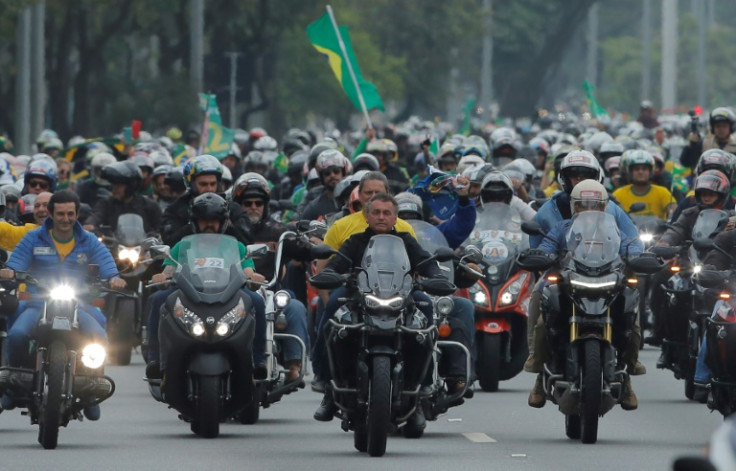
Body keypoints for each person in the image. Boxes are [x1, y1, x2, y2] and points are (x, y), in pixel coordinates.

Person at [313, 193, 449, 430]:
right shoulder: (355, 241)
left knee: (426, 311)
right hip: (360, 299)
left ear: (395, 217)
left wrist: (436, 275)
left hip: (401, 298)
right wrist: (331, 273)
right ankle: (329, 387)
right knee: (333, 319)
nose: (381, 217)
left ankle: (421, 392)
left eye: (387, 213)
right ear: (366, 216)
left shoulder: (406, 240)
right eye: (376, 212)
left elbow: (425, 262)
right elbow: (337, 264)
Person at [0, 190, 127, 420]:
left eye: (70, 214)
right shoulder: (33, 237)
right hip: (38, 302)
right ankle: (15, 384)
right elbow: (17, 261)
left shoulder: (88, 240)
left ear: (77, 214)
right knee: (17, 333)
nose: (66, 219)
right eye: (60, 213)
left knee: (98, 336)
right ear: (50, 213)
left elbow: (106, 262)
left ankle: (90, 385)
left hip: (80, 303)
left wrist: (114, 277)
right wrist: (10, 271)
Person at [527, 180, 643, 410]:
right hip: (569, 281)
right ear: (574, 206)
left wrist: (638, 256)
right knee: (541, 309)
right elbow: (547, 245)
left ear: (604, 207)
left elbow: (631, 245)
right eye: (583, 204)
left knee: (632, 312)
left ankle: (628, 371)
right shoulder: (562, 228)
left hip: (608, 282)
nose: (589, 209)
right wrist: (540, 255)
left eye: (596, 205)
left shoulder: (614, 230)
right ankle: (539, 373)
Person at [145, 193, 268, 379]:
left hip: (229, 294)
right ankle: (156, 359)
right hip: (189, 293)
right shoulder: (183, 245)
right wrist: (161, 277)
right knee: (158, 299)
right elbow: (169, 270)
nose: (209, 225)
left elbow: (247, 271)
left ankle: (257, 359)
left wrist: (254, 276)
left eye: (214, 221)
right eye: (204, 221)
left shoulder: (236, 246)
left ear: (223, 222)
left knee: (257, 301)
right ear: (195, 222)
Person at [230, 174, 312, 381]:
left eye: (258, 203)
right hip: (232, 293)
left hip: (271, 293)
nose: (253, 207)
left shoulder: (278, 231)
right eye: (247, 203)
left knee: (295, 306)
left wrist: (314, 244)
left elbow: (304, 252)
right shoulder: (228, 232)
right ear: (238, 205)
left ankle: (294, 364)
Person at [161, 154, 224, 246]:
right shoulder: (174, 210)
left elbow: (246, 241)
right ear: (192, 185)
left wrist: (227, 223)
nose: (209, 189)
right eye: (203, 184)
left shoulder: (231, 207)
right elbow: (169, 242)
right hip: (186, 259)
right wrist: (193, 225)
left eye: (213, 184)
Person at [85, 161, 162, 234]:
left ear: (131, 186)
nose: (114, 188)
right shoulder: (106, 204)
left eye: (119, 185)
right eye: (113, 184)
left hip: (143, 246)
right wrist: (90, 224)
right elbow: (97, 215)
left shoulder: (149, 206)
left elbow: (160, 227)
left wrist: (154, 235)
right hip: (112, 245)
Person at [613, 150, 676, 219]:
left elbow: (674, 211)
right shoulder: (618, 194)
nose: (640, 172)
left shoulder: (663, 192)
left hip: (656, 230)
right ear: (630, 172)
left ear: (651, 172)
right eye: (637, 169)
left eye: (644, 169)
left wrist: (672, 213)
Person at [297, 149, 350, 221]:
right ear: (321, 176)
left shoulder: (356, 200)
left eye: (336, 171)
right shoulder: (314, 207)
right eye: (327, 173)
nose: (332, 175)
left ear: (343, 172)